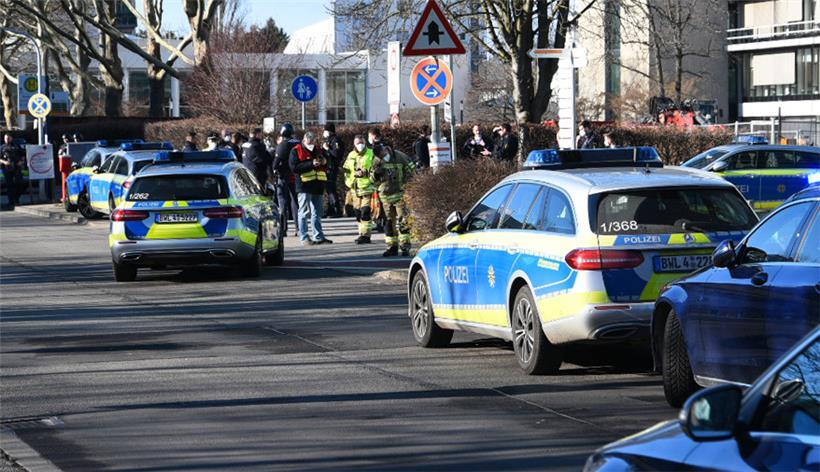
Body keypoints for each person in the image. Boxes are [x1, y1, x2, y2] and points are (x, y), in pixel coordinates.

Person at [371, 143, 415, 257]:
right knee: (388, 223)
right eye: (380, 156)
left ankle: (405, 246)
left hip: (400, 195)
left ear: (386, 149)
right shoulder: (376, 160)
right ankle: (392, 247)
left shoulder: (401, 157)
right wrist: (376, 174)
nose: (383, 157)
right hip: (385, 197)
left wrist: (408, 187)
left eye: (383, 154)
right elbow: (372, 180)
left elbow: (413, 172)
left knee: (403, 221)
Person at [290, 131, 332, 245]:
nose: (311, 144)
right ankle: (304, 238)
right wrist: (311, 163)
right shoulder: (296, 150)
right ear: (304, 140)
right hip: (304, 185)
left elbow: (327, 162)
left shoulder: (318, 149)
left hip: (317, 185)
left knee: (317, 212)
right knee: (303, 212)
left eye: (313, 141)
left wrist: (324, 161)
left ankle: (318, 236)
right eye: (309, 142)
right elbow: (294, 167)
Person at [343, 135, 375, 244]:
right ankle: (361, 233)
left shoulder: (371, 153)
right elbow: (346, 170)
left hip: (367, 188)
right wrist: (348, 182)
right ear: (354, 144)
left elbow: (377, 169)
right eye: (357, 143)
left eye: (361, 142)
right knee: (357, 213)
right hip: (354, 189)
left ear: (365, 143)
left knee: (365, 212)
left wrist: (366, 173)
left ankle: (366, 236)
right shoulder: (351, 155)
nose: (360, 145)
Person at [273, 123, 300, 236]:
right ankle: (299, 228)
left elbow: (276, 163)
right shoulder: (298, 143)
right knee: (295, 202)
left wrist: (274, 170)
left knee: (282, 202)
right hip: (296, 176)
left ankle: (283, 229)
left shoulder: (282, 145)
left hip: (283, 176)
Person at [322, 123, 345, 218]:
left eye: (325, 130)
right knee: (329, 189)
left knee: (331, 189)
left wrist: (327, 149)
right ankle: (330, 209)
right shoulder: (329, 140)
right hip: (328, 167)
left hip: (332, 167)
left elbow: (336, 154)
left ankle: (337, 210)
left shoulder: (336, 140)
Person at [0, 133, 24, 208]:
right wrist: (5, 162)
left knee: (20, 184)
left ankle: (16, 198)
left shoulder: (17, 146)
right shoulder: (2, 147)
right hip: (7, 168)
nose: (7, 139)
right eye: (5, 138)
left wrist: (21, 161)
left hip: (17, 167)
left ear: (11, 138)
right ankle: (11, 201)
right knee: (9, 185)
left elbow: (23, 155)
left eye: (8, 138)